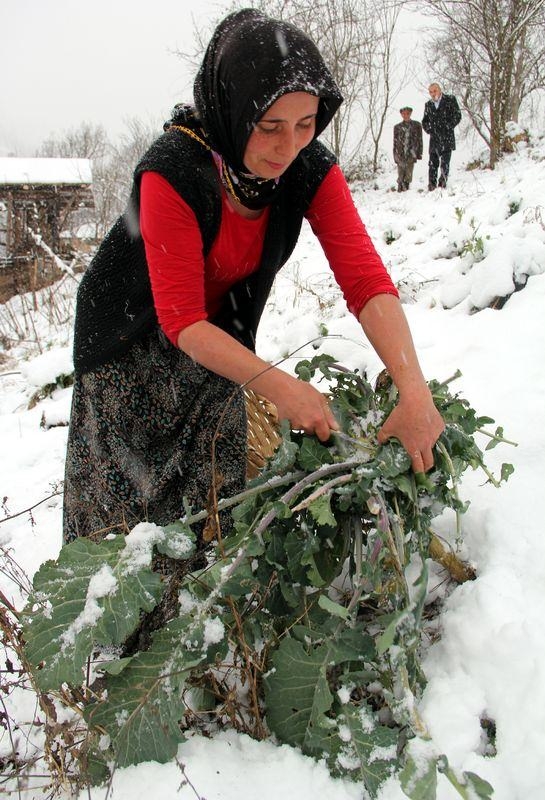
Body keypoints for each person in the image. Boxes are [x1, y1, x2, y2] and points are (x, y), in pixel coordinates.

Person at [63, 8, 445, 549]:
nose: (289, 147)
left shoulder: (308, 167)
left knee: (211, 511)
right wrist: (283, 388)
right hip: (127, 343)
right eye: (270, 127)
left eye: (306, 125)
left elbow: (365, 279)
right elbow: (181, 321)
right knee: (124, 524)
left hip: (218, 337)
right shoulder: (172, 170)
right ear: (235, 112)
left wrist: (414, 389)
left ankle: (200, 621)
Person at [422, 83, 461, 190]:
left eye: (434, 91)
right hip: (434, 139)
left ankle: (442, 184)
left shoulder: (450, 100)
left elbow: (457, 115)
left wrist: (448, 126)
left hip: (447, 138)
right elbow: (424, 122)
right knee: (432, 164)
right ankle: (431, 186)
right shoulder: (428, 105)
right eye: (430, 92)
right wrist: (430, 129)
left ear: (440, 90)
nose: (433, 94)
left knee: (445, 164)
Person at [393, 106, 422, 192]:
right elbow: (395, 141)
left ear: (410, 114)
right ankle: (400, 186)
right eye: (404, 114)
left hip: (411, 151)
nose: (406, 115)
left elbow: (420, 140)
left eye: (408, 113)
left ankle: (406, 186)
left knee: (409, 170)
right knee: (401, 170)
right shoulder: (397, 127)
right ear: (401, 114)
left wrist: (419, 153)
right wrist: (395, 154)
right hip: (400, 152)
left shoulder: (416, 125)